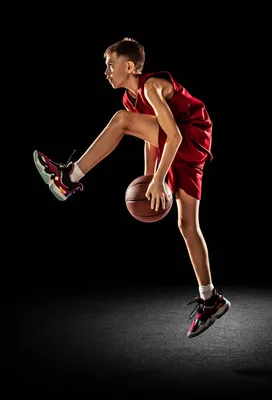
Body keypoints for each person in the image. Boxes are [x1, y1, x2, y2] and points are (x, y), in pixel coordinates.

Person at [33, 37, 230, 338]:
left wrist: (157, 179)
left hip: (190, 137)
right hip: (185, 151)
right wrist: (151, 178)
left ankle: (69, 178)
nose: (106, 71)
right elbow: (154, 140)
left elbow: (173, 136)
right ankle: (210, 299)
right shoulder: (130, 98)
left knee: (121, 121)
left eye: (110, 65)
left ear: (129, 66)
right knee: (187, 224)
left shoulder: (150, 87)